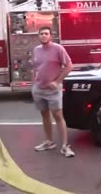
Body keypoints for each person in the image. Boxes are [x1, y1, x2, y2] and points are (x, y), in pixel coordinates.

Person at [31, 26, 75, 157]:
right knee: (45, 116)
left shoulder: (58, 49)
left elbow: (69, 65)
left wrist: (57, 81)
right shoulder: (36, 50)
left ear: (51, 36)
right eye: (41, 34)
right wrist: (34, 83)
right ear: (38, 36)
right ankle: (49, 142)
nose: (44, 36)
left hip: (53, 91)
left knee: (58, 117)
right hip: (39, 89)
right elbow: (35, 67)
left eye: (46, 33)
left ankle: (64, 146)